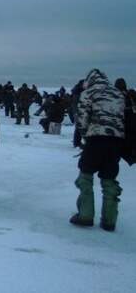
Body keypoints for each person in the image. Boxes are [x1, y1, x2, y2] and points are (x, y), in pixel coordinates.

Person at [70, 69, 125, 231]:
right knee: (109, 179)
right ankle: (109, 220)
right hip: (115, 142)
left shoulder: (89, 93)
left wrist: (85, 136)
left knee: (85, 176)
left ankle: (85, 215)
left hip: (95, 140)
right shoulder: (118, 94)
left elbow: (82, 119)